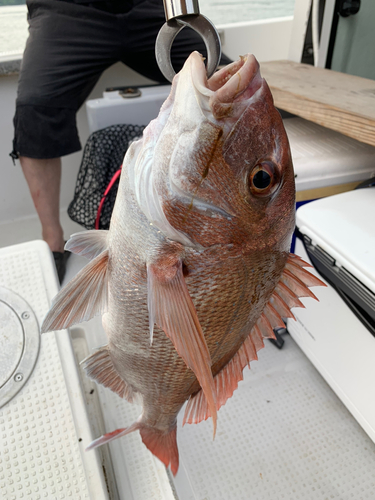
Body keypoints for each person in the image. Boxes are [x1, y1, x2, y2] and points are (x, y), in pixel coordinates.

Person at [11, 0, 231, 282]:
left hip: (152, 9)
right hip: (67, 11)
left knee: (227, 90)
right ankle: (52, 241)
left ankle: (219, 225)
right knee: (34, 109)